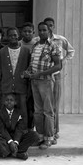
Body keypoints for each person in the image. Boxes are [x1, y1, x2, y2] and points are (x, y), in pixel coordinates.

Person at [23, 22, 62, 150]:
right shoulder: (35, 45)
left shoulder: (53, 46)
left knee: (48, 111)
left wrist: (41, 73)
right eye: (40, 30)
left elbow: (58, 65)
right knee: (38, 111)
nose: (42, 32)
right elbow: (32, 63)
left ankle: (49, 138)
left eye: (44, 30)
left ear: (49, 31)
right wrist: (28, 72)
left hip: (46, 82)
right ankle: (39, 136)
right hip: (34, 82)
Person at [44, 17, 75, 143]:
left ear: (54, 26)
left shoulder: (60, 40)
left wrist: (63, 61)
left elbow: (71, 51)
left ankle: (55, 132)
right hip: (43, 75)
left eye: (51, 25)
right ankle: (45, 131)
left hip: (56, 75)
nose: (49, 28)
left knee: (54, 105)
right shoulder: (38, 40)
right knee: (44, 106)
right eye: (47, 25)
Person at [0, 27, 31, 125]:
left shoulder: (26, 51)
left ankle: (23, 132)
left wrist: (28, 89)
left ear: (18, 35)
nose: (13, 37)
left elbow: (29, 70)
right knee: (4, 112)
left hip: (21, 87)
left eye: (15, 35)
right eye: (10, 35)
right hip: (6, 87)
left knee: (23, 111)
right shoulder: (2, 51)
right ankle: (6, 133)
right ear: (7, 37)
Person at [0, 93, 39, 160]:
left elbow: (19, 129)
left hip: (16, 137)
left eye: (11, 100)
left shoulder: (19, 112)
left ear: (15, 102)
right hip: (5, 138)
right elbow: (2, 129)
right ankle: (15, 152)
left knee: (34, 134)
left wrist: (15, 142)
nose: (9, 101)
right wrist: (10, 142)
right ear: (4, 102)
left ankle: (15, 151)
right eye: (7, 100)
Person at [19, 22, 38, 130]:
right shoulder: (18, 44)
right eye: (25, 31)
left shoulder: (37, 44)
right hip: (21, 80)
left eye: (29, 31)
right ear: (21, 32)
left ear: (33, 33)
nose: (27, 34)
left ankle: (31, 128)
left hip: (35, 79)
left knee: (33, 106)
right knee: (23, 105)